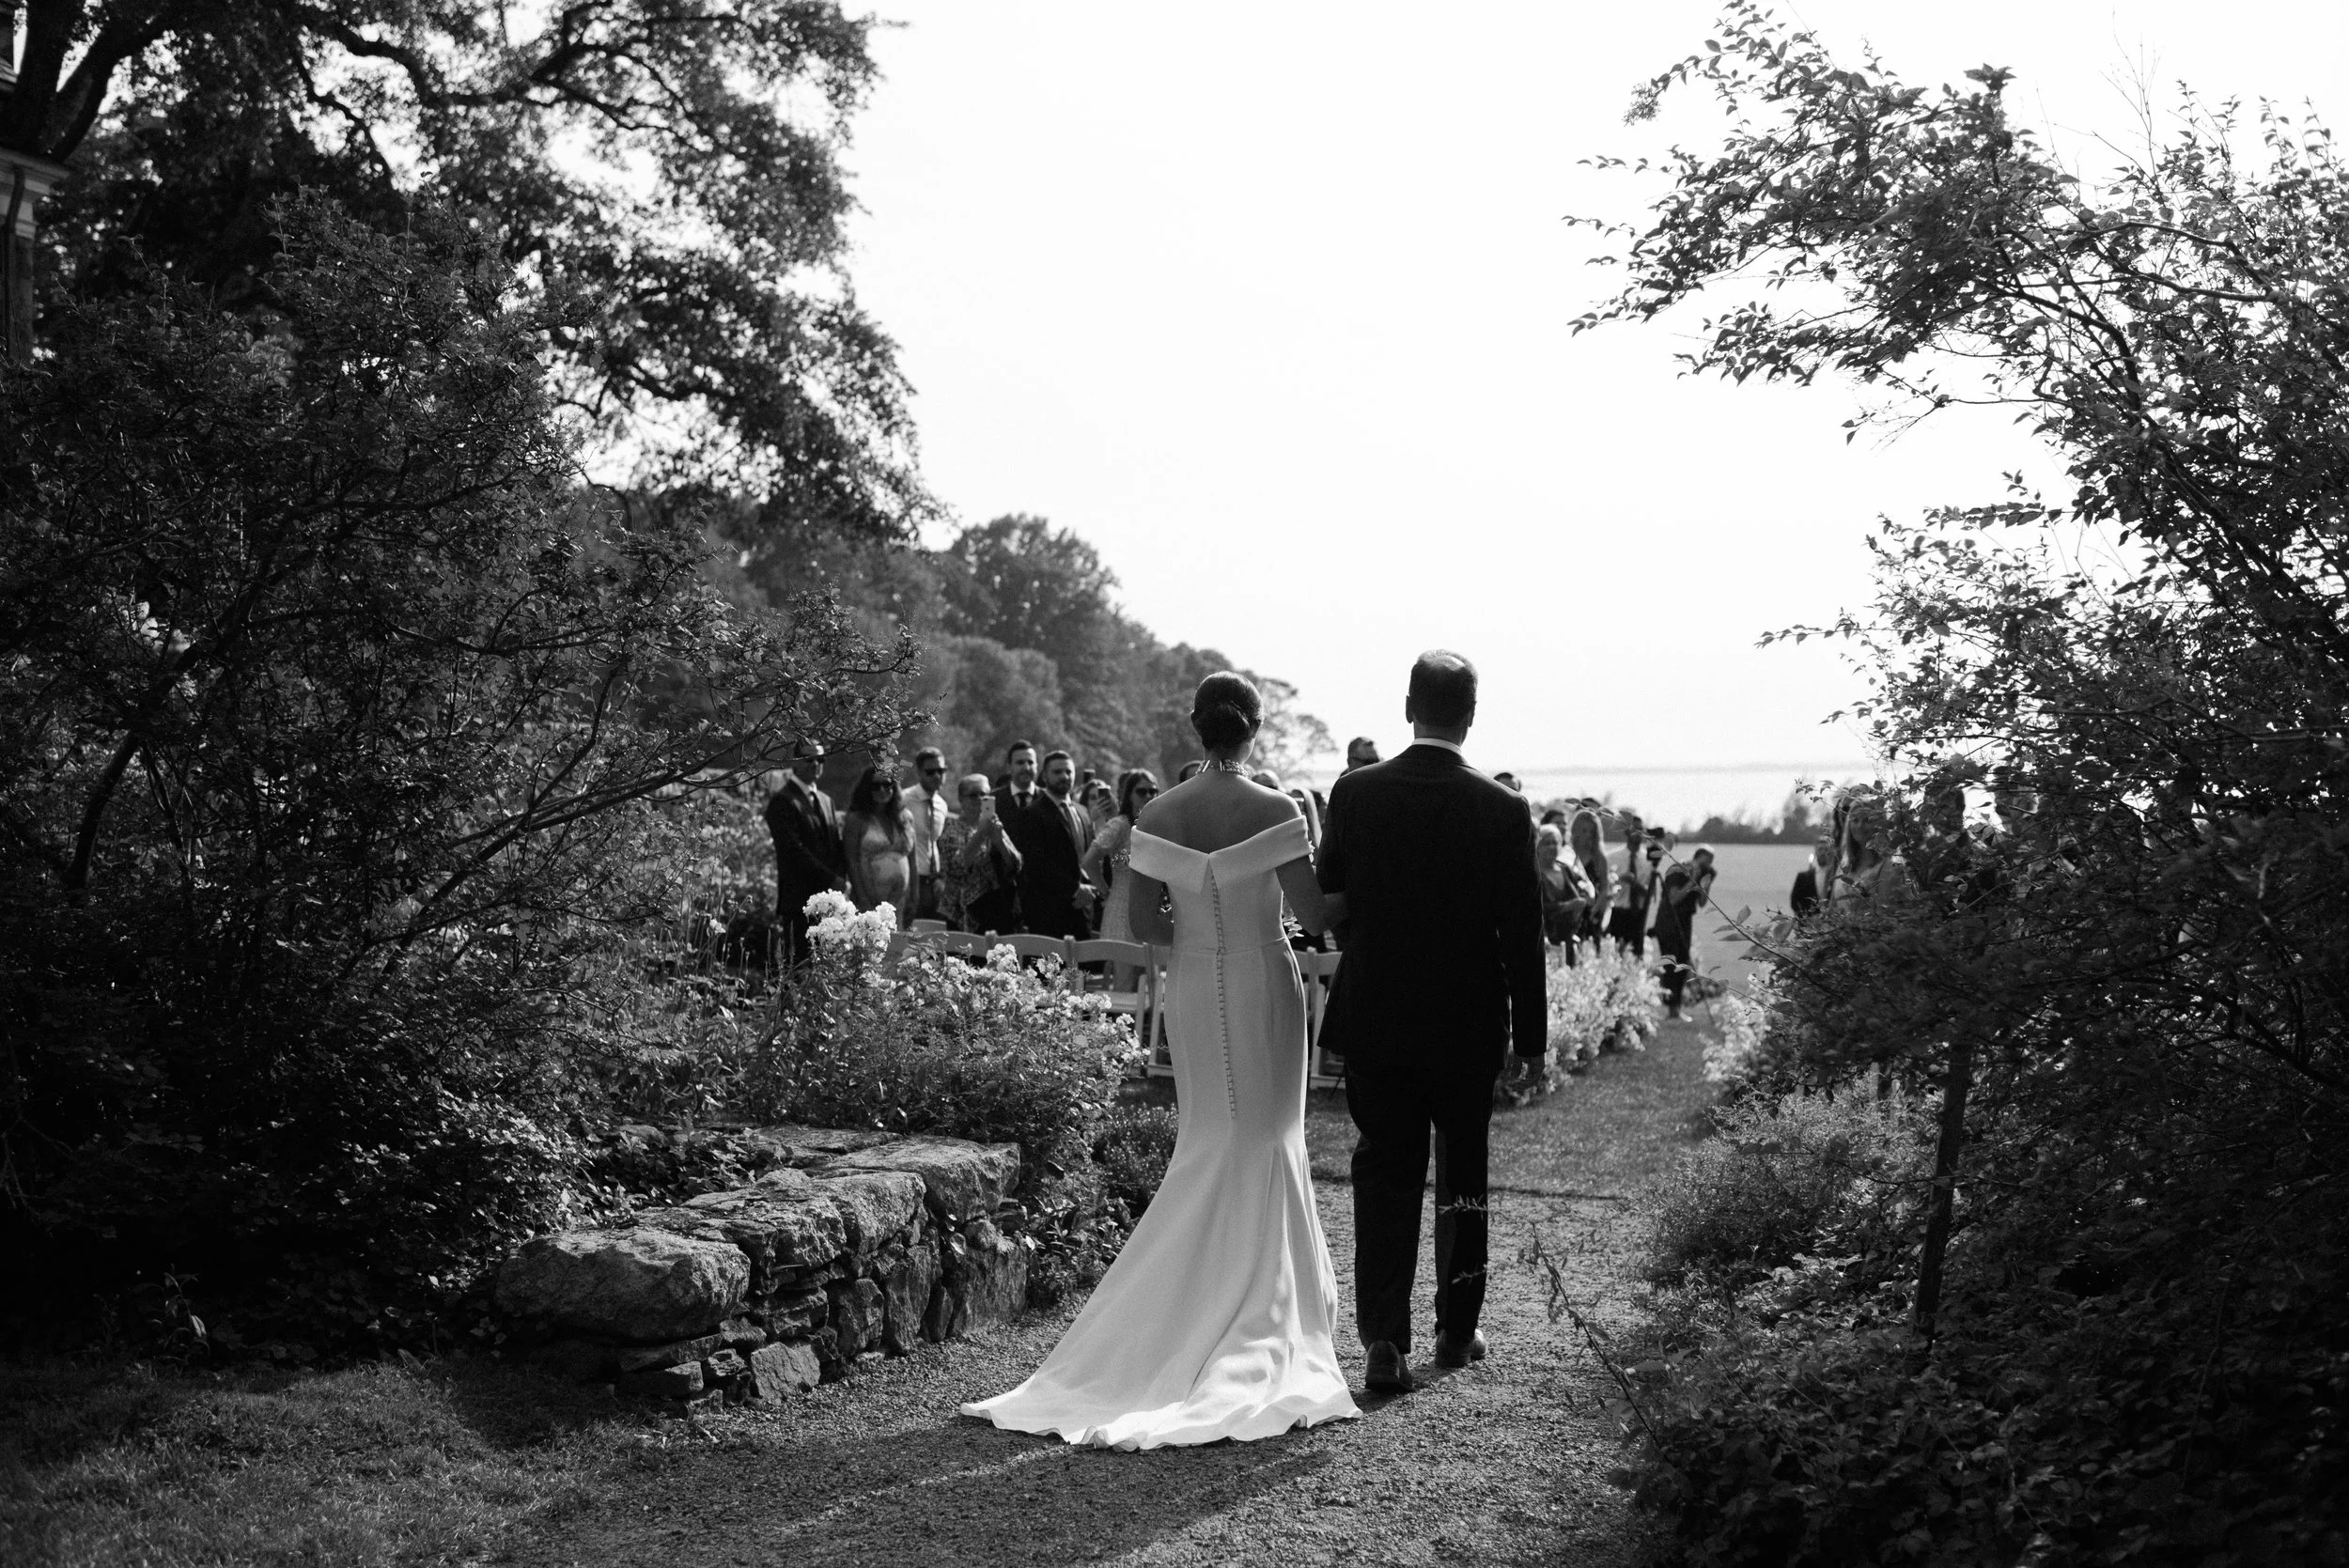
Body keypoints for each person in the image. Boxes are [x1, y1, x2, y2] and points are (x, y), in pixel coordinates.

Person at [961, 672, 1358, 1447]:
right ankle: (1260, 1311)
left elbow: (1144, 919)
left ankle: (1184, 1309)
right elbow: (1313, 916)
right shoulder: (1277, 809)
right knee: (1270, 1138)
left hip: (1193, 987)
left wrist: (1204, 933)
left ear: (1195, 726)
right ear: (1254, 729)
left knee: (1209, 1138)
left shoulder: (1160, 812)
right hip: (1262, 980)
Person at [1315, 650, 1547, 1392]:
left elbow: (1332, 899)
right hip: (1466, 1022)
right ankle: (1456, 1327)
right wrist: (1533, 1041)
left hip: (1378, 1013)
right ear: (1471, 715)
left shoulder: (1354, 792)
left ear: (1407, 705)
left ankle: (1385, 1339)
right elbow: (1522, 934)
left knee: (1384, 1171)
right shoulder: (1503, 809)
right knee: (1463, 1171)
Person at [994, 742, 1095, 939]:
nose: (1064, 777)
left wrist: (1091, 890)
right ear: (1045, 775)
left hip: (1083, 911)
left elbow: (1087, 856)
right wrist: (1074, 890)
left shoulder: (1082, 812)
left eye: (1068, 772)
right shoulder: (1033, 813)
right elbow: (1037, 863)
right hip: (1049, 913)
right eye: (1057, 772)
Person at [763, 737, 848, 963]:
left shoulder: (826, 801)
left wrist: (840, 881)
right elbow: (793, 851)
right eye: (809, 759)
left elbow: (835, 846)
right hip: (799, 904)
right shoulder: (782, 802)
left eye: (820, 759)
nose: (815, 764)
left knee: (827, 968)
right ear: (796, 762)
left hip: (829, 904)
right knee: (799, 967)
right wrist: (831, 879)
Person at [1080, 768, 1159, 943]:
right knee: (1125, 967)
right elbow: (1088, 862)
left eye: (1153, 791)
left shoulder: (1159, 828)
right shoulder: (1120, 825)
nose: (1148, 795)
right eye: (1142, 791)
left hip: (1154, 912)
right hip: (1122, 909)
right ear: (1129, 795)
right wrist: (1106, 892)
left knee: (1153, 970)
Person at [938, 772, 1021, 933]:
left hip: (999, 911)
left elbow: (1016, 864)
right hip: (965, 916)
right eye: (972, 795)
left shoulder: (995, 825)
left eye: (983, 794)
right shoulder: (951, 831)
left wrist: (1000, 843)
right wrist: (981, 834)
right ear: (961, 799)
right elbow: (957, 868)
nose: (978, 798)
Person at [842, 764, 915, 924]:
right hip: (869, 902)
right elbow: (851, 861)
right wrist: (863, 900)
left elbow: (912, 859)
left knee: (899, 946)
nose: (882, 790)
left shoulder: (905, 818)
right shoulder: (856, 819)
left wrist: (914, 896)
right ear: (867, 788)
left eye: (887, 784)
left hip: (900, 902)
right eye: (876, 786)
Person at [1652, 846, 1716, 1019]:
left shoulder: (1702, 874)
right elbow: (1674, 899)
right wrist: (1692, 880)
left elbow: (1702, 903)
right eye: (1706, 861)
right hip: (1669, 921)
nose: (1708, 865)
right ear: (1696, 857)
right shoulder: (1677, 870)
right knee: (1671, 964)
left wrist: (1706, 883)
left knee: (1682, 963)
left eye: (1710, 863)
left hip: (1685, 921)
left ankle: (1677, 1008)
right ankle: (1671, 1008)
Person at [906, 747, 952, 922]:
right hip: (913, 878)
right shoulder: (905, 800)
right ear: (919, 772)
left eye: (941, 771)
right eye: (930, 772)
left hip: (935, 881)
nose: (937, 776)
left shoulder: (942, 805)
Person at [1534, 822, 1594, 959]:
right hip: (1545, 940)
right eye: (1546, 843)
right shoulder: (1534, 873)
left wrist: (1585, 899)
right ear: (1537, 845)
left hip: (1569, 937)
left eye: (1556, 843)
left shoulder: (1566, 869)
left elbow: (1581, 892)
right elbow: (1535, 907)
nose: (1552, 847)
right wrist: (1566, 906)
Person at [1608, 816, 1658, 955]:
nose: (1637, 832)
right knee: (1615, 953)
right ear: (1626, 831)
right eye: (1633, 828)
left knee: (1635, 955)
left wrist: (1635, 884)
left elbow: (1651, 894)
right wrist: (1620, 880)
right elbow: (1604, 887)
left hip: (1637, 915)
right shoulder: (1612, 857)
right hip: (1617, 912)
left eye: (1640, 829)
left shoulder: (1648, 861)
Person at [1567, 808, 1612, 949]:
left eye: (1591, 831)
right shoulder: (1568, 854)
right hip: (1572, 909)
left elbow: (1605, 888)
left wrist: (1596, 907)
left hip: (1593, 909)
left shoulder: (1599, 858)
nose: (1587, 835)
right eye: (1583, 830)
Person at [1790, 831, 1834, 916]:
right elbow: (1795, 901)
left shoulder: (1835, 876)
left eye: (1826, 850)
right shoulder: (1803, 877)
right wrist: (1805, 917)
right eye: (1820, 849)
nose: (1823, 853)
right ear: (1816, 851)